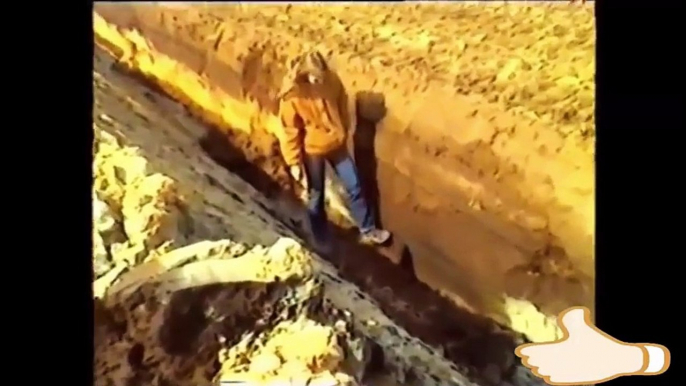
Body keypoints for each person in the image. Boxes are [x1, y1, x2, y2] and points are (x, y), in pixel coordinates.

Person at [276, 49, 391, 253]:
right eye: (315, 77)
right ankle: (320, 238)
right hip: (313, 150)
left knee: (354, 185)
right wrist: (294, 163)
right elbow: (290, 130)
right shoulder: (293, 95)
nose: (320, 80)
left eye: (322, 76)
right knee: (315, 195)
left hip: (336, 144)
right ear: (305, 73)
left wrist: (342, 129)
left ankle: (368, 229)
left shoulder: (331, 79)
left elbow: (342, 101)